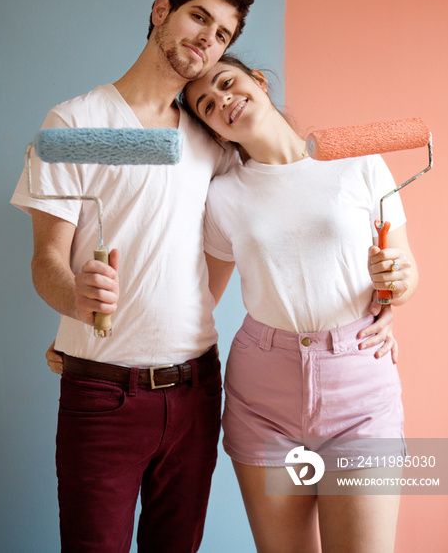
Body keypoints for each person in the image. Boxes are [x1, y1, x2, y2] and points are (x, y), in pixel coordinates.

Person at [11, 0, 255, 553]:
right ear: (160, 10)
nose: (208, 38)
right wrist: (75, 299)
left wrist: (172, 312)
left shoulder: (209, 138)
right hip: (103, 397)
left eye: (223, 34)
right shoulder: (74, 123)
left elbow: (231, 241)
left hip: (197, 390)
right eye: (200, 16)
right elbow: (47, 260)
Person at [180, 54, 418, 553]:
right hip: (262, 398)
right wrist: (111, 341)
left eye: (228, 82)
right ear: (213, 130)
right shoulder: (222, 197)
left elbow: (405, 270)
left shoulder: (360, 162)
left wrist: (397, 283)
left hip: (359, 389)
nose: (223, 99)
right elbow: (198, 299)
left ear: (259, 82)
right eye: (206, 104)